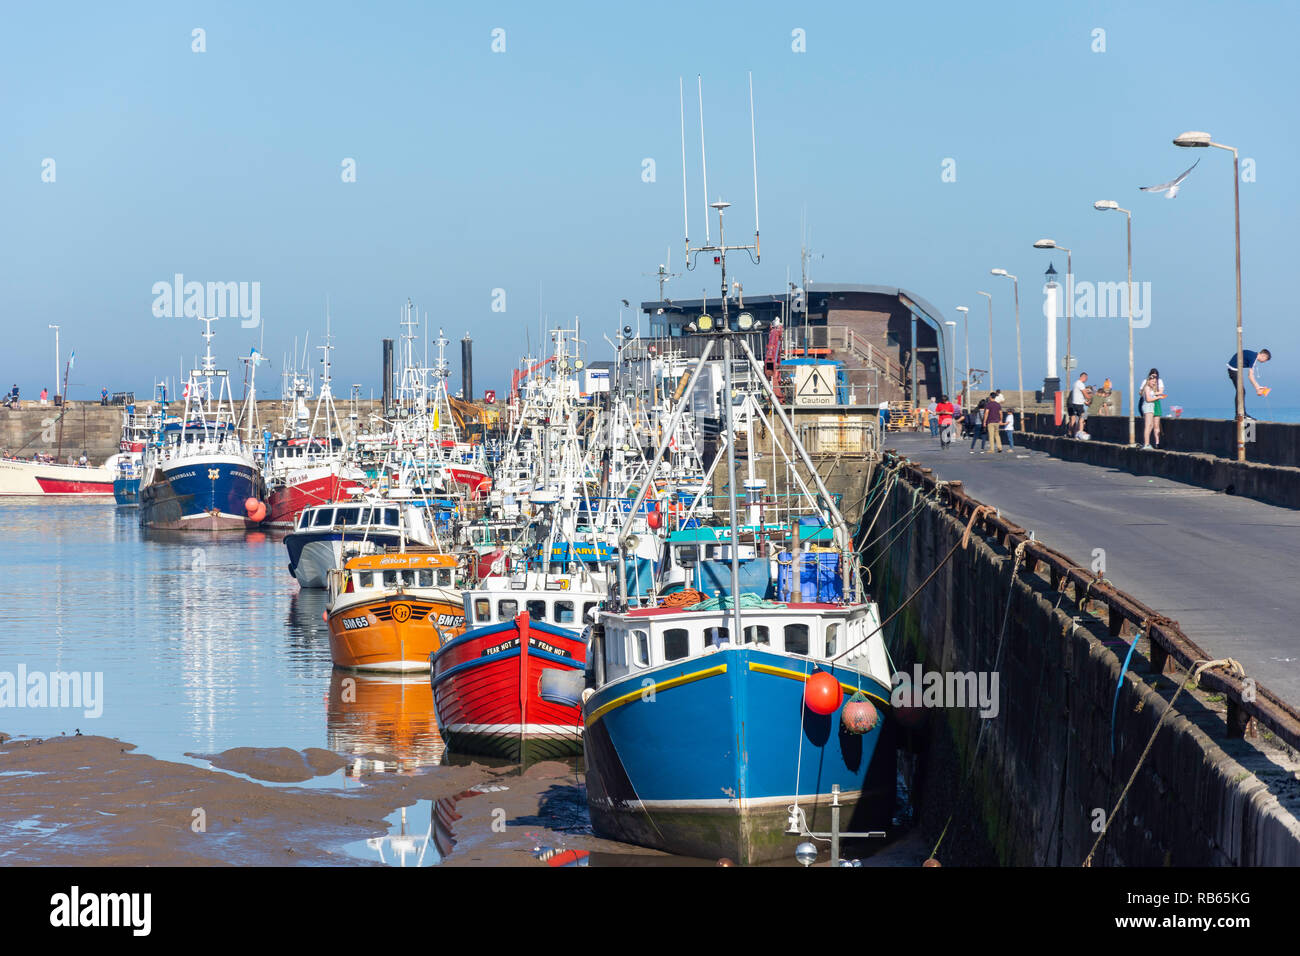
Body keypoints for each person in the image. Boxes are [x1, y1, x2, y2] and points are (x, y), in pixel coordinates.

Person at [1227, 348, 1271, 420]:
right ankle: (1241, 414)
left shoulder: (1253, 355)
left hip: (1233, 369)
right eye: (1265, 360)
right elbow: (1250, 376)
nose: (1264, 362)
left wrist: (1258, 387)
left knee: (1241, 391)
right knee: (1241, 391)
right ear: (1264, 356)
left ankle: (1240, 414)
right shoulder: (1253, 358)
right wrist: (1257, 388)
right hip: (1233, 370)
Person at [1139, 370, 1160, 449]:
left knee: (1151, 425)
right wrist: (1158, 397)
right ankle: (1146, 444)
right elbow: (1148, 399)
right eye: (1153, 381)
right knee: (1148, 426)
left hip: (1151, 406)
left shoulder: (1151, 389)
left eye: (1155, 382)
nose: (1154, 383)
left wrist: (1156, 395)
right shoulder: (1147, 388)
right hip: (1147, 406)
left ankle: (1147, 444)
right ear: (1149, 381)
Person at [1067, 372, 1092, 437]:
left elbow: (1079, 395)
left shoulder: (1075, 383)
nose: (1086, 380)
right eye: (1086, 378)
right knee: (1083, 418)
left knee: (1078, 419)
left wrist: (1085, 401)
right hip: (1079, 404)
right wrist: (1091, 398)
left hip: (1075, 403)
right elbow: (1085, 394)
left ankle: (1075, 433)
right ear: (1084, 377)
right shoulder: (1081, 384)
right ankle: (1080, 432)